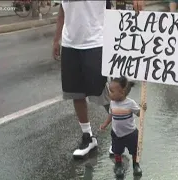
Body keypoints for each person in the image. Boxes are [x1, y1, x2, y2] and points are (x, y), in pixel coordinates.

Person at [52, 1, 145, 159]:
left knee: (106, 94)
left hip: (96, 43)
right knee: (76, 93)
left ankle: (119, 135)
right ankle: (88, 137)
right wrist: (57, 38)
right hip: (70, 44)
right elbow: (63, 8)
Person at [100, 76, 147, 178]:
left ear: (122, 92)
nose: (109, 94)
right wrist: (105, 123)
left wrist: (143, 109)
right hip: (117, 133)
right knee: (117, 151)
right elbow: (111, 115)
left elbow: (139, 114)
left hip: (131, 133)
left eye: (112, 91)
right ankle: (118, 165)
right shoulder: (112, 103)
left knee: (134, 150)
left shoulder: (130, 103)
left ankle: (136, 165)